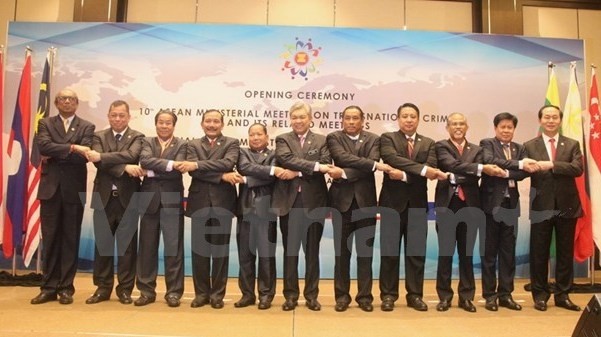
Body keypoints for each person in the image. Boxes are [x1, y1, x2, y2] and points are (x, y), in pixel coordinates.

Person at [272, 101, 343, 311]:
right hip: (289, 204)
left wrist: (297, 171)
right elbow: (285, 159)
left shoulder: (322, 140)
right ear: (290, 119)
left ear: (310, 119)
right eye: (294, 117)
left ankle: (312, 295)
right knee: (290, 252)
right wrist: (313, 167)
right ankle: (290, 296)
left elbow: (325, 163)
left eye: (302, 117)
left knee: (312, 252)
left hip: (315, 203)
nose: (298, 121)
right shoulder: (282, 139)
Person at [378, 102, 446, 312]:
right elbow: (391, 159)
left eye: (412, 116)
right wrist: (421, 170)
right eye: (405, 116)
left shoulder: (429, 143)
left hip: (417, 205)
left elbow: (431, 169)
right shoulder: (388, 138)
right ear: (398, 119)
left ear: (418, 119)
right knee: (389, 253)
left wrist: (406, 174)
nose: (408, 119)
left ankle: (415, 295)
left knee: (416, 253)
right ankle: (388, 295)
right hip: (391, 204)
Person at [434, 112, 505, 313]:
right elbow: (451, 165)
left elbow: (460, 171)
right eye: (454, 124)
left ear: (467, 127)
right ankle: (445, 297)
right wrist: (478, 169)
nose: (458, 127)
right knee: (445, 254)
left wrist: (456, 177)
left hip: (471, 206)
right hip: (447, 206)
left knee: (466, 254)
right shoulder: (441, 146)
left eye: (461, 124)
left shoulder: (478, 149)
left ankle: (466, 297)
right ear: (447, 127)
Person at [31, 88, 95, 305]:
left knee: (70, 240)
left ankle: (66, 288)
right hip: (50, 190)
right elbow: (43, 146)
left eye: (71, 99)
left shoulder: (87, 126)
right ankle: (48, 287)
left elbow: (84, 158)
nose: (67, 102)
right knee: (50, 240)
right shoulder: (45, 123)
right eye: (63, 99)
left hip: (73, 190)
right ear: (57, 102)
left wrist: (57, 152)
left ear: (77, 103)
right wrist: (73, 147)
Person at [327, 106, 391, 312]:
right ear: (342, 120)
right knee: (341, 254)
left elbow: (371, 163)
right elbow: (343, 158)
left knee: (365, 254)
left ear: (363, 120)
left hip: (366, 204)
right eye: (348, 118)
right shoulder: (334, 138)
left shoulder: (374, 139)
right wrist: (369, 166)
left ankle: (365, 297)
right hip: (341, 204)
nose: (351, 121)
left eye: (355, 118)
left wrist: (344, 173)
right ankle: (342, 297)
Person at [84, 100, 145, 305]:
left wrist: (103, 156)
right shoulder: (98, 136)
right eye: (114, 115)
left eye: (122, 115)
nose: (118, 119)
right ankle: (102, 288)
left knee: (127, 247)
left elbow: (132, 155)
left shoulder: (137, 136)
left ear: (128, 117)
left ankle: (125, 289)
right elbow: (99, 163)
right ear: (108, 116)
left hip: (129, 199)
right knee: (103, 246)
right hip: (103, 198)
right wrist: (124, 168)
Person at [524, 104, 583, 312]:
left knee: (565, 253)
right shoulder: (529, 145)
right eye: (546, 117)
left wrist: (551, 164)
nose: (550, 120)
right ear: (540, 120)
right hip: (541, 206)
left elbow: (577, 168)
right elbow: (522, 171)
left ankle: (563, 294)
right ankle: (540, 295)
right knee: (539, 252)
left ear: (560, 120)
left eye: (554, 117)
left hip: (567, 206)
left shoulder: (572, 144)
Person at [181, 109, 240, 309]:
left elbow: (228, 163)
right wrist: (221, 176)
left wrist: (197, 165)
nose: (212, 124)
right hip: (199, 203)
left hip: (223, 203)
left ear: (222, 124)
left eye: (216, 121)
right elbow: (193, 174)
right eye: (208, 121)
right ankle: (201, 294)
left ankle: (217, 295)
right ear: (202, 123)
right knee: (200, 251)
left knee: (220, 252)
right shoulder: (192, 144)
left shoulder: (232, 143)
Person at [479, 112, 531, 311]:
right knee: (489, 252)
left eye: (510, 127)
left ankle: (506, 294)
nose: (506, 130)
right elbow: (490, 161)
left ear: (514, 129)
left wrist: (508, 171)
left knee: (508, 253)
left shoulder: (520, 148)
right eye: (503, 127)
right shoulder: (487, 144)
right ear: (495, 128)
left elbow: (524, 172)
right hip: (491, 205)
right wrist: (518, 165)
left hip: (511, 206)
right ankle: (490, 295)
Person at [135, 110, 187, 307]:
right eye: (161, 122)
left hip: (172, 199)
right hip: (148, 199)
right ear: (155, 124)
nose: (164, 126)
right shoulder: (146, 141)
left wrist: (151, 171)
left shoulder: (183, 144)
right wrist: (170, 165)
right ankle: (146, 291)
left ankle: (174, 292)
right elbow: (144, 161)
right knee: (147, 248)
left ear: (174, 125)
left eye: (168, 123)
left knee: (174, 248)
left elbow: (178, 171)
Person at [235, 123, 286, 310]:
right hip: (245, 209)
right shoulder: (241, 153)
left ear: (266, 136)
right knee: (245, 256)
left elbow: (273, 177)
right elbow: (243, 167)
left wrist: (248, 179)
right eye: (252, 134)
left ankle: (266, 295)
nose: (255, 137)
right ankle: (247, 294)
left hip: (266, 210)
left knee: (266, 255)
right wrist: (269, 172)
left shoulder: (275, 154)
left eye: (259, 134)